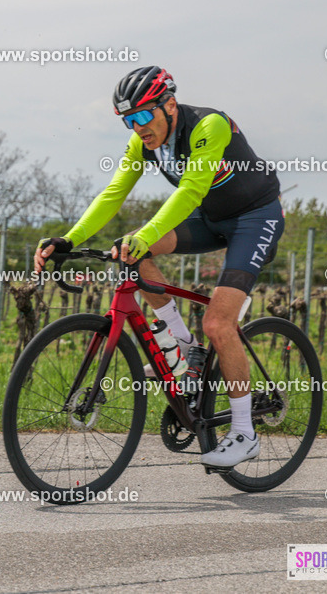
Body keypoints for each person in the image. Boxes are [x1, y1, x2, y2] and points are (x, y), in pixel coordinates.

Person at [34, 66, 283, 467]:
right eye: (128, 121)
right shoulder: (144, 143)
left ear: (169, 105)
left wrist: (146, 234)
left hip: (255, 218)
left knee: (219, 324)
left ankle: (244, 432)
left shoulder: (210, 125)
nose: (137, 128)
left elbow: (190, 191)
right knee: (133, 251)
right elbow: (115, 192)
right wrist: (70, 238)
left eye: (143, 116)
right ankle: (184, 348)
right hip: (210, 217)